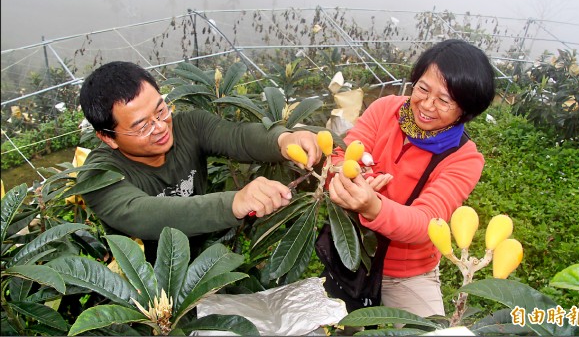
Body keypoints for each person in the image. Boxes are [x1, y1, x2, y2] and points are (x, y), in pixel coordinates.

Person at [78, 61, 320, 263]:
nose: (161, 127)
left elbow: (237, 137)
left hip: (200, 263)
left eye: (161, 111)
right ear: (108, 137)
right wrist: (235, 202)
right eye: (143, 126)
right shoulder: (98, 175)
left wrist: (285, 140)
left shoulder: (190, 126)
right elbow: (142, 214)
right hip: (147, 292)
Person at [327, 39, 496, 319]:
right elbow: (340, 153)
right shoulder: (385, 110)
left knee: (427, 328)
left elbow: (427, 222)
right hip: (352, 254)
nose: (427, 105)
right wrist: (347, 174)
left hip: (408, 272)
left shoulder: (465, 159)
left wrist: (373, 206)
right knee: (335, 327)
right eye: (422, 88)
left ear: (465, 110)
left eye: (444, 100)